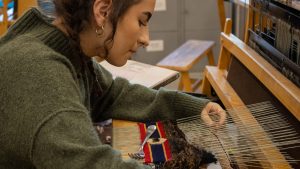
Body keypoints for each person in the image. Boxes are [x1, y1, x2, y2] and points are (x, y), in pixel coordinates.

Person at [0, 0, 226, 168]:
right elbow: (87, 162)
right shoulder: (38, 69)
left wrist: (188, 106)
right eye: (141, 21)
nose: (146, 38)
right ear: (102, 11)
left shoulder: (71, 50)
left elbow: (111, 94)